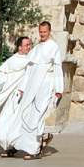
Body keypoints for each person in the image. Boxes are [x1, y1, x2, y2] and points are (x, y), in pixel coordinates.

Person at [0, 36, 40, 158]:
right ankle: (9, 146)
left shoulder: (33, 60)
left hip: (28, 97)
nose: (29, 47)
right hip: (13, 97)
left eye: (30, 44)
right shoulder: (12, 61)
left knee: (26, 122)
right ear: (19, 47)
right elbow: (1, 76)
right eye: (26, 45)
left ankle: (30, 147)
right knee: (8, 120)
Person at [21, 19, 66, 150]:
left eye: (44, 32)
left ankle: (35, 146)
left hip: (46, 83)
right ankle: (39, 139)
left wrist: (59, 88)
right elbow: (29, 67)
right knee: (31, 113)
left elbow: (57, 67)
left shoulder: (53, 47)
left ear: (49, 31)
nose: (42, 34)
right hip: (34, 85)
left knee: (39, 112)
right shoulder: (37, 47)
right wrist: (23, 87)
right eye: (40, 32)